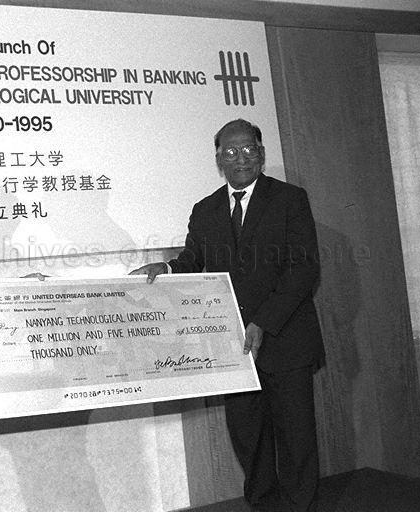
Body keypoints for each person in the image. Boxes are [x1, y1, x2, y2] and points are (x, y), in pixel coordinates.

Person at [131, 119, 324, 511]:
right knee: (249, 439)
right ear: (219, 160)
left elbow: (303, 269)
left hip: (286, 340)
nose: (241, 158)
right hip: (233, 347)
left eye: (249, 149)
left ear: (262, 154)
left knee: (296, 439)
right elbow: (193, 260)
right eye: (231, 152)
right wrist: (165, 269)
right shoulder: (205, 210)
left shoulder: (290, 199)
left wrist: (263, 321)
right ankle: (263, 505)